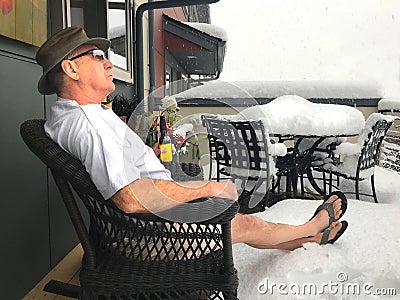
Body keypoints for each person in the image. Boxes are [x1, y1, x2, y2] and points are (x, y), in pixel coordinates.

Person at [36, 26, 348, 251]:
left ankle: (307, 239)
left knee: (240, 224)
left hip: (139, 221)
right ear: (71, 69)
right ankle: (312, 227)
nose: (108, 62)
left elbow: (108, 154)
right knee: (244, 223)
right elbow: (131, 198)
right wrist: (208, 186)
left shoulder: (69, 115)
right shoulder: (90, 124)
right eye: (97, 56)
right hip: (151, 233)